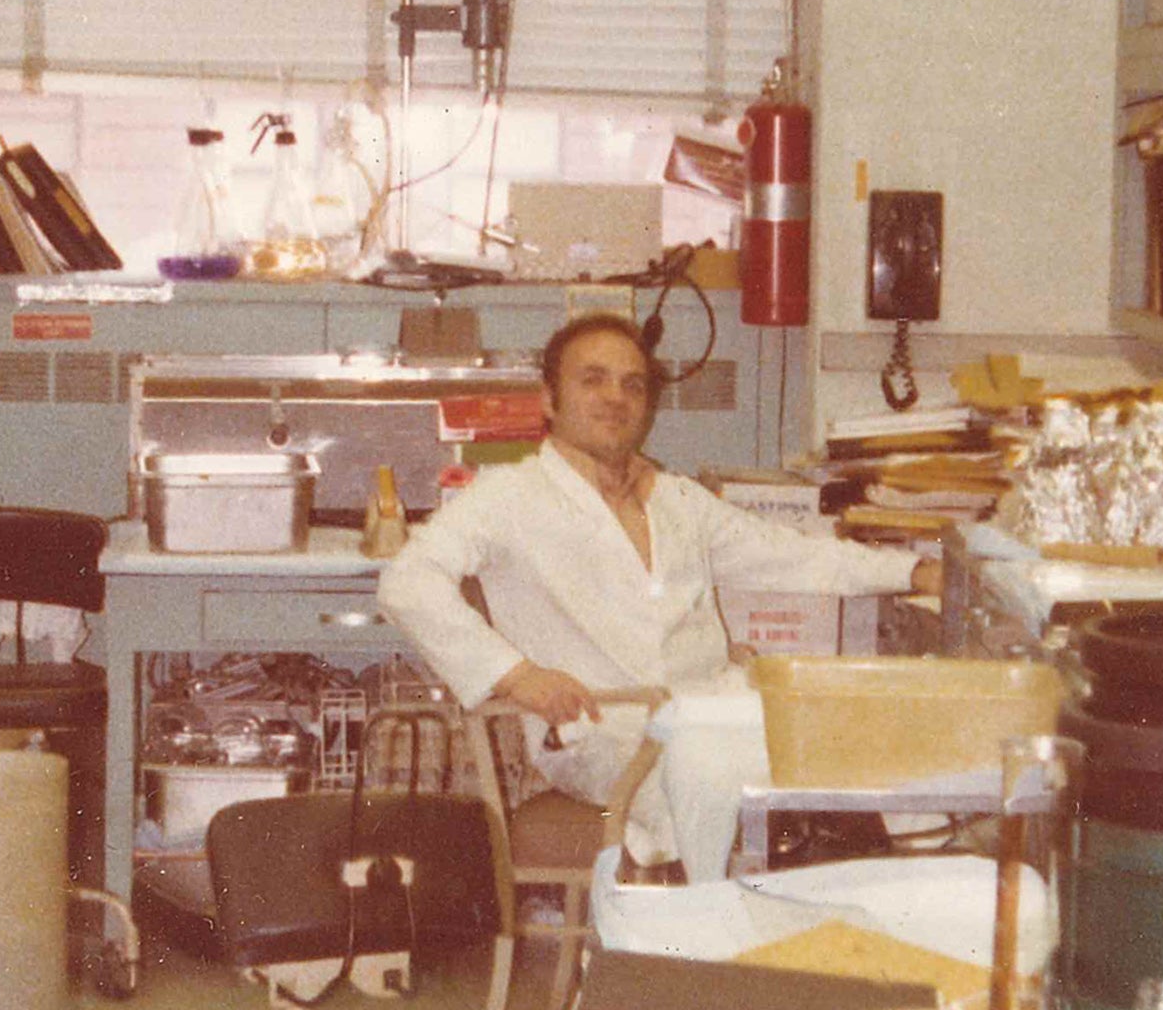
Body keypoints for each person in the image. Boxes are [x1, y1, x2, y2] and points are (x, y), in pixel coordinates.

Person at [377, 312, 944, 870]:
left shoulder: (674, 499)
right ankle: (720, 941)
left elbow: (789, 554)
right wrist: (517, 676)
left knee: (889, 773)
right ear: (549, 400)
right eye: (592, 379)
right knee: (759, 807)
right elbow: (406, 582)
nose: (615, 397)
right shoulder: (510, 497)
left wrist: (914, 572)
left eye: (632, 384)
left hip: (713, 713)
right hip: (608, 735)